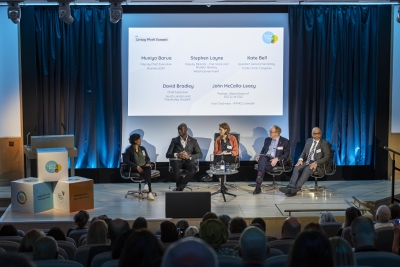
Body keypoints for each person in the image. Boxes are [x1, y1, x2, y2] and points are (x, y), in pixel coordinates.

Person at [280, 127, 331, 197]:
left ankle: (296, 188)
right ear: (312, 134)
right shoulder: (309, 141)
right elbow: (304, 152)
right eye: (314, 134)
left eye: (318, 133)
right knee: (297, 167)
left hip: (318, 164)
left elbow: (327, 157)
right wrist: (300, 159)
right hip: (307, 161)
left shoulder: (325, 143)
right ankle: (290, 186)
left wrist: (316, 162)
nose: (316, 135)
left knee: (307, 169)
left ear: (321, 134)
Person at [254, 125, 290, 194]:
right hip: (266, 158)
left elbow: (286, 154)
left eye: (271, 131)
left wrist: (277, 159)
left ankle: (258, 185)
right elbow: (263, 150)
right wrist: (260, 155)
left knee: (261, 166)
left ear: (276, 133)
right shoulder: (267, 139)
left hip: (276, 160)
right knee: (262, 158)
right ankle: (258, 183)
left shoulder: (285, 141)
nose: (269, 133)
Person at [166, 123, 203, 191]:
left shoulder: (193, 141)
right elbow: (167, 154)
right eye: (178, 130)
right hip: (177, 160)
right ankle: (179, 187)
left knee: (193, 169)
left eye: (181, 129)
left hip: (188, 161)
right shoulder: (174, 140)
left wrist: (189, 156)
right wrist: (177, 154)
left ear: (186, 129)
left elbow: (200, 154)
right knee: (176, 166)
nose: (179, 131)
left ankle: (180, 186)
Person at [205, 123, 239, 187]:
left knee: (218, 161)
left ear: (226, 130)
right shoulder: (218, 139)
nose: (219, 131)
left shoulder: (232, 138)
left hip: (230, 157)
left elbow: (236, 151)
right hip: (221, 157)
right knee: (219, 161)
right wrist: (222, 152)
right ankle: (222, 184)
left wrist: (228, 153)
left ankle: (210, 174)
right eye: (219, 130)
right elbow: (215, 152)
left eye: (221, 130)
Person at [124, 133, 155, 200]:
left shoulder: (143, 149)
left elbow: (147, 158)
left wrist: (148, 163)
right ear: (135, 141)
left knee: (148, 168)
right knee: (147, 171)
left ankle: (147, 186)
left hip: (144, 167)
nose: (141, 140)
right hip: (134, 168)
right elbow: (127, 161)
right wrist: (136, 166)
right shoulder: (129, 150)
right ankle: (149, 192)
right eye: (139, 139)